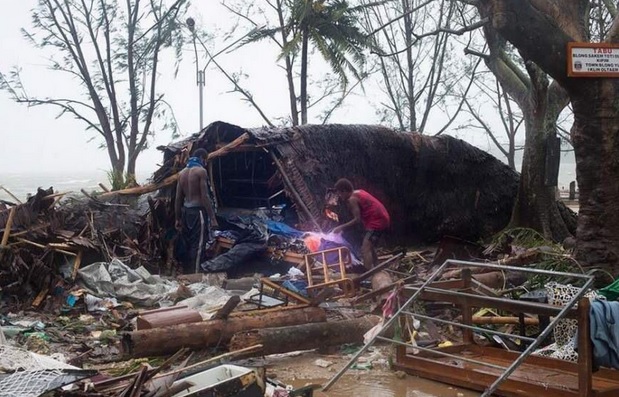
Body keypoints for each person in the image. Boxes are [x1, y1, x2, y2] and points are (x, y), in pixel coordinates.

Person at [175, 148, 219, 274]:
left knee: (187, 243)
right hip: (198, 212)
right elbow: (205, 197)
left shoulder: (182, 173)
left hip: (185, 212)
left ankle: (185, 273)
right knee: (198, 245)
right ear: (202, 158)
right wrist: (213, 218)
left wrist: (177, 218)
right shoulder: (201, 172)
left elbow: (178, 198)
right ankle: (195, 275)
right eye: (205, 160)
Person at [331, 178, 390, 270]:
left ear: (345, 191)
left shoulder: (352, 199)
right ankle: (377, 268)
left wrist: (341, 227)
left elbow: (356, 219)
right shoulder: (358, 192)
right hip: (381, 217)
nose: (340, 196)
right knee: (370, 245)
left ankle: (367, 274)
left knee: (365, 248)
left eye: (340, 193)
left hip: (377, 221)